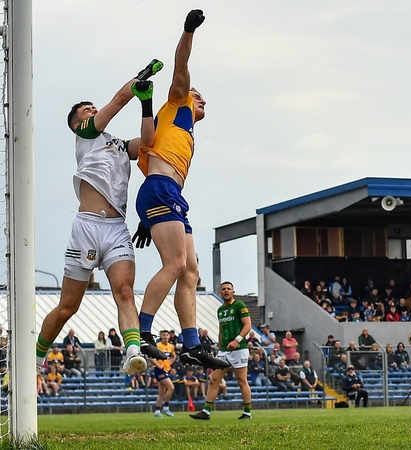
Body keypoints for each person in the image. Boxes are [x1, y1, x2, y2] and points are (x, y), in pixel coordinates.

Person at [35, 64, 167, 377]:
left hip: (116, 228)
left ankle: (133, 351)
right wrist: (143, 75)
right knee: (69, 306)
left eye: (92, 107)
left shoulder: (118, 144)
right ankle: (35, 357)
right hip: (87, 227)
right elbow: (120, 99)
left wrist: (147, 103)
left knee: (124, 292)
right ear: (77, 122)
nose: (92, 109)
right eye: (86, 109)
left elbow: (147, 141)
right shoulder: (86, 134)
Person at [130, 10, 227, 371]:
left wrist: (147, 216)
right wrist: (188, 30)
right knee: (174, 264)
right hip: (161, 189)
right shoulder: (178, 101)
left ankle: (190, 344)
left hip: (166, 193)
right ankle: (142, 332)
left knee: (190, 273)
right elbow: (181, 64)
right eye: (199, 96)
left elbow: (152, 155)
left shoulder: (180, 129)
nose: (203, 102)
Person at [190, 281, 253, 421]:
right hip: (224, 350)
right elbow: (221, 330)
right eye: (223, 289)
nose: (226, 291)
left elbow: (248, 325)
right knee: (214, 379)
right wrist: (219, 348)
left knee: (241, 380)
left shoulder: (239, 305)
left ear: (233, 292)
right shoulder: (220, 310)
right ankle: (206, 411)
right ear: (220, 292)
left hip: (239, 348)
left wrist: (237, 340)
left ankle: (247, 412)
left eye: (228, 289)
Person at [151, 330, 177, 417]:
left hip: (166, 369)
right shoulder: (157, 346)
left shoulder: (171, 346)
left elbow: (174, 356)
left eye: (167, 335)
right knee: (171, 387)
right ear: (161, 337)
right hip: (159, 370)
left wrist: (169, 363)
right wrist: (158, 365)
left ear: (169, 336)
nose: (165, 337)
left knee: (161, 392)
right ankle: (166, 408)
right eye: (163, 335)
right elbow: (150, 358)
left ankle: (157, 411)